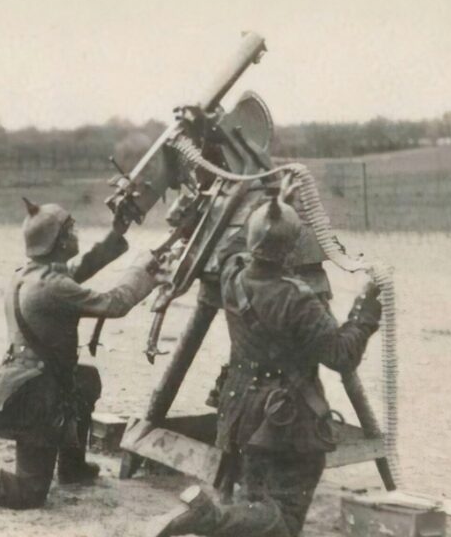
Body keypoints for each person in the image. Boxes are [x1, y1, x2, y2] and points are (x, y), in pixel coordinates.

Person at [147, 191, 382, 537]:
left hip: (240, 411)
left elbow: (230, 248)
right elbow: (341, 354)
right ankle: (207, 518)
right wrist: (365, 309)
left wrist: (266, 211)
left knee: (254, 501)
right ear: (292, 248)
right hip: (284, 419)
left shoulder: (232, 275)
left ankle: (213, 517)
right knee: (283, 519)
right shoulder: (296, 298)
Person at [0, 199, 160, 509]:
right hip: (36, 396)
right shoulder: (53, 288)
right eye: (71, 230)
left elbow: (78, 270)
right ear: (59, 242)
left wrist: (117, 234)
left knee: (84, 380)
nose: (76, 234)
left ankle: (72, 466)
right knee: (28, 492)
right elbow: (115, 304)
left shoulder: (32, 274)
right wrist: (145, 271)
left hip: (30, 378)